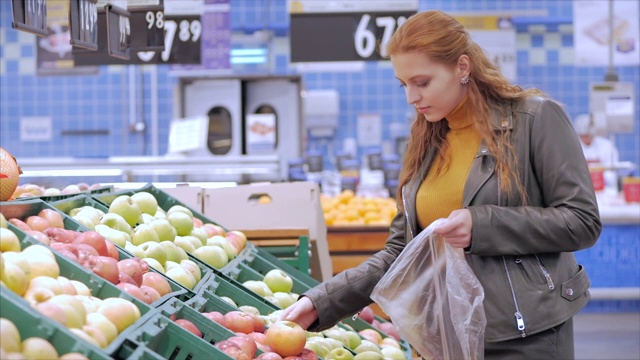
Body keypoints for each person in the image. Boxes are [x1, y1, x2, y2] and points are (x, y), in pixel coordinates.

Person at [280, 10, 601, 359]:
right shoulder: (425, 141)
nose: (411, 98)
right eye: (404, 85)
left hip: (524, 336)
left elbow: (581, 221)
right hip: (444, 336)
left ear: (462, 67)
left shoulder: (533, 119)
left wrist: (481, 225)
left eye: (422, 82)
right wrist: (321, 301)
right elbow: (400, 253)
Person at [573, 113, 620, 190]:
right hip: (582, 189)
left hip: (605, 190)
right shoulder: (574, 148)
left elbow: (612, 170)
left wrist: (597, 178)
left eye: (587, 135)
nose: (585, 138)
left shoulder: (606, 146)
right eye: (582, 136)